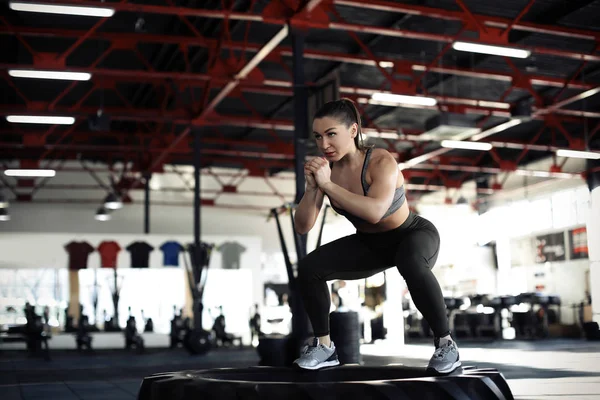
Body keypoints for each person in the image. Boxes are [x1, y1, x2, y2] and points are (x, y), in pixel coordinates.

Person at [292, 98, 460, 374]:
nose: (324, 145)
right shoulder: (327, 172)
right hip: (371, 244)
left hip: (411, 234)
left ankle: (446, 344)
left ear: (354, 131)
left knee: (411, 263)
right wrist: (313, 189)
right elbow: (302, 226)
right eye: (318, 137)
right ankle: (324, 347)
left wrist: (327, 185)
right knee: (310, 268)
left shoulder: (380, 160)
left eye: (331, 134)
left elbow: (375, 212)